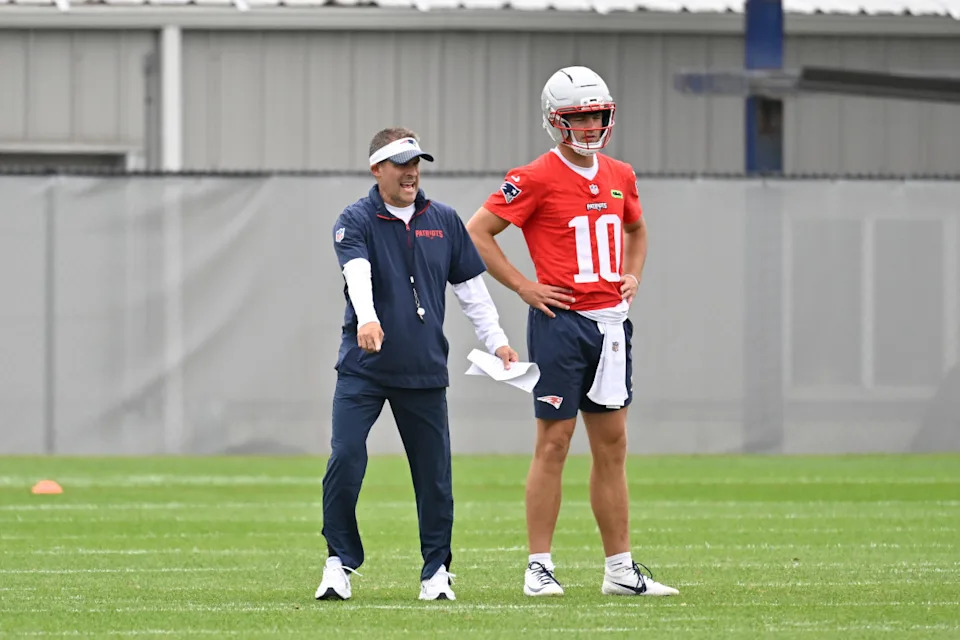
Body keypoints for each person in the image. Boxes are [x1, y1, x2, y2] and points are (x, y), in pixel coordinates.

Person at [466, 67, 678, 598]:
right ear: (556, 121)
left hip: (611, 324)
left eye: (597, 115)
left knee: (613, 447)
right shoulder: (535, 175)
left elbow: (636, 228)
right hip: (562, 324)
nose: (590, 125)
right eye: (579, 116)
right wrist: (523, 286)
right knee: (554, 443)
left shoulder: (620, 173)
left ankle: (620, 570)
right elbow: (478, 232)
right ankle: (539, 566)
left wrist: (634, 274)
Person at [316, 127, 519, 602]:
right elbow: (356, 271)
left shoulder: (444, 220)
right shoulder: (356, 218)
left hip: (424, 370)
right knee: (345, 457)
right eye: (402, 163)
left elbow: (471, 290)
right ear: (377, 170)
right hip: (363, 369)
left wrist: (499, 342)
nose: (412, 172)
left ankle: (435, 572)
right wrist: (367, 318)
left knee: (434, 476)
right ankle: (338, 562)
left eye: (417, 162)